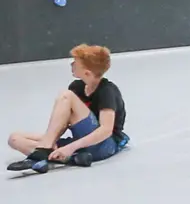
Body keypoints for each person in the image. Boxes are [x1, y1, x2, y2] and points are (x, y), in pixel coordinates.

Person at [7, 44, 129, 172]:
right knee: (14, 138)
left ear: (87, 72)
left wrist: (70, 147)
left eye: (75, 63)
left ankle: (43, 152)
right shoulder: (77, 87)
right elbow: (63, 123)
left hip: (104, 145)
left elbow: (106, 130)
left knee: (66, 96)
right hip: (81, 144)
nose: (71, 65)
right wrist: (57, 143)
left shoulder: (107, 91)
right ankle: (71, 158)